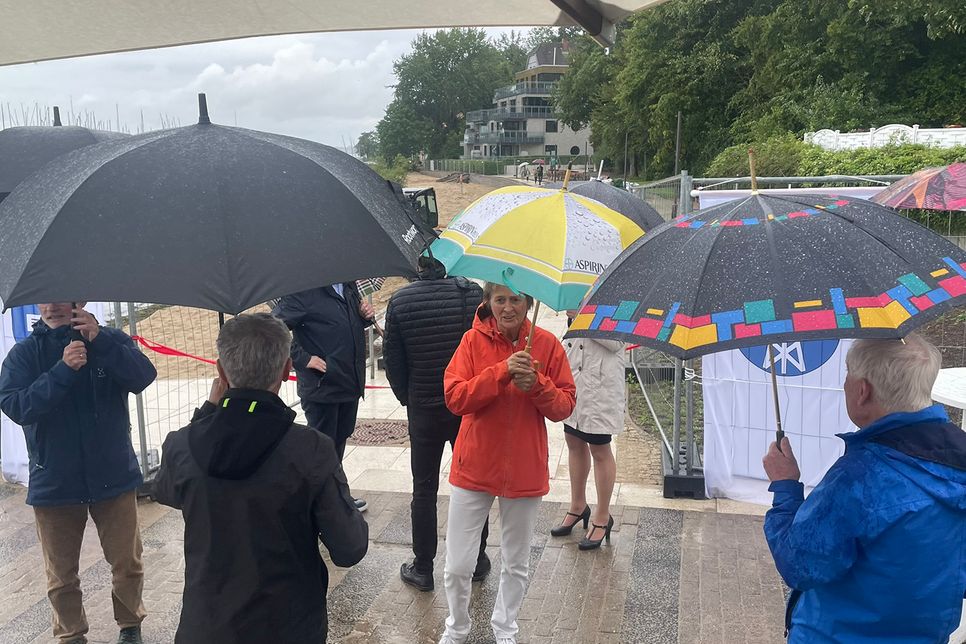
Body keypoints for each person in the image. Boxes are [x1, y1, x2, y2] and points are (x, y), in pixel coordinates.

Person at [152, 313, 368, 644]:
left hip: (206, 627)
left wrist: (208, 411)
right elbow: (349, 548)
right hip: (290, 626)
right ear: (287, 369)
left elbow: (166, 491)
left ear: (221, 372)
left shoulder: (182, 444)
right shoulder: (311, 449)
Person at [762, 334, 966, 643]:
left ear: (862, 391)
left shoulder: (859, 478)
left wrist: (785, 486)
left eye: (848, 374)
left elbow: (799, 564)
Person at [0, 302, 157, 644]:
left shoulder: (110, 340)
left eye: (61, 296)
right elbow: (17, 406)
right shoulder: (24, 354)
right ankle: (71, 635)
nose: (52, 305)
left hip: (113, 473)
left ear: (81, 300)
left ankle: (130, 625)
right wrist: (62, 370)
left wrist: (101, 341)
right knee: (61, 574)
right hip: (54, 479)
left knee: (127, 562)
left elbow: (143, 376)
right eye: (45, 298)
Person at [439, 283, 576, 644]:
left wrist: (538, 385)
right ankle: (456, 627)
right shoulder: (471, 341)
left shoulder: (546, 345)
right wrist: (500, 372)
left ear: (528, 303)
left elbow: (564, 405)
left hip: (524, 468)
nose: (508, 307)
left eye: (516, 299)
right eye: (500, 300)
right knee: (457, 565)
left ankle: (505, 627)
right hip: (474, 466)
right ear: (488, 302)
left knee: (516, 562)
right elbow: (455, 397)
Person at [383, 257, 489, 592]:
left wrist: (408, 397)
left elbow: (393, 361)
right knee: (473, 485)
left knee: (424, 488)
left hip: (424, 408)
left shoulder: (400, 300)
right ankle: (477, 560)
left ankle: (423, 567)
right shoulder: (472, 294)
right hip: (466, 406)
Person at [273, 281, 374, 511]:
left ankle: (335, 497)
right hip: (321, 388)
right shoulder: (303, 292)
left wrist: (363, 317)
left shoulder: (348, 286)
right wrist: (303, 358)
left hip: (348, 383)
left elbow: (343, 326)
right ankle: (318, 504)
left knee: (338, 443)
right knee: (321, 449)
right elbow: (272, 328)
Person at [551, 317, 625, 550]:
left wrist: (585, 316)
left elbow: (616, 342)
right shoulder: (580, 297)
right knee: (573, 440)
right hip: (576, 378)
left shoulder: (620, 301)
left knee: (599, 448)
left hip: (600, 384)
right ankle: (578, 505)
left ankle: (603, 516)